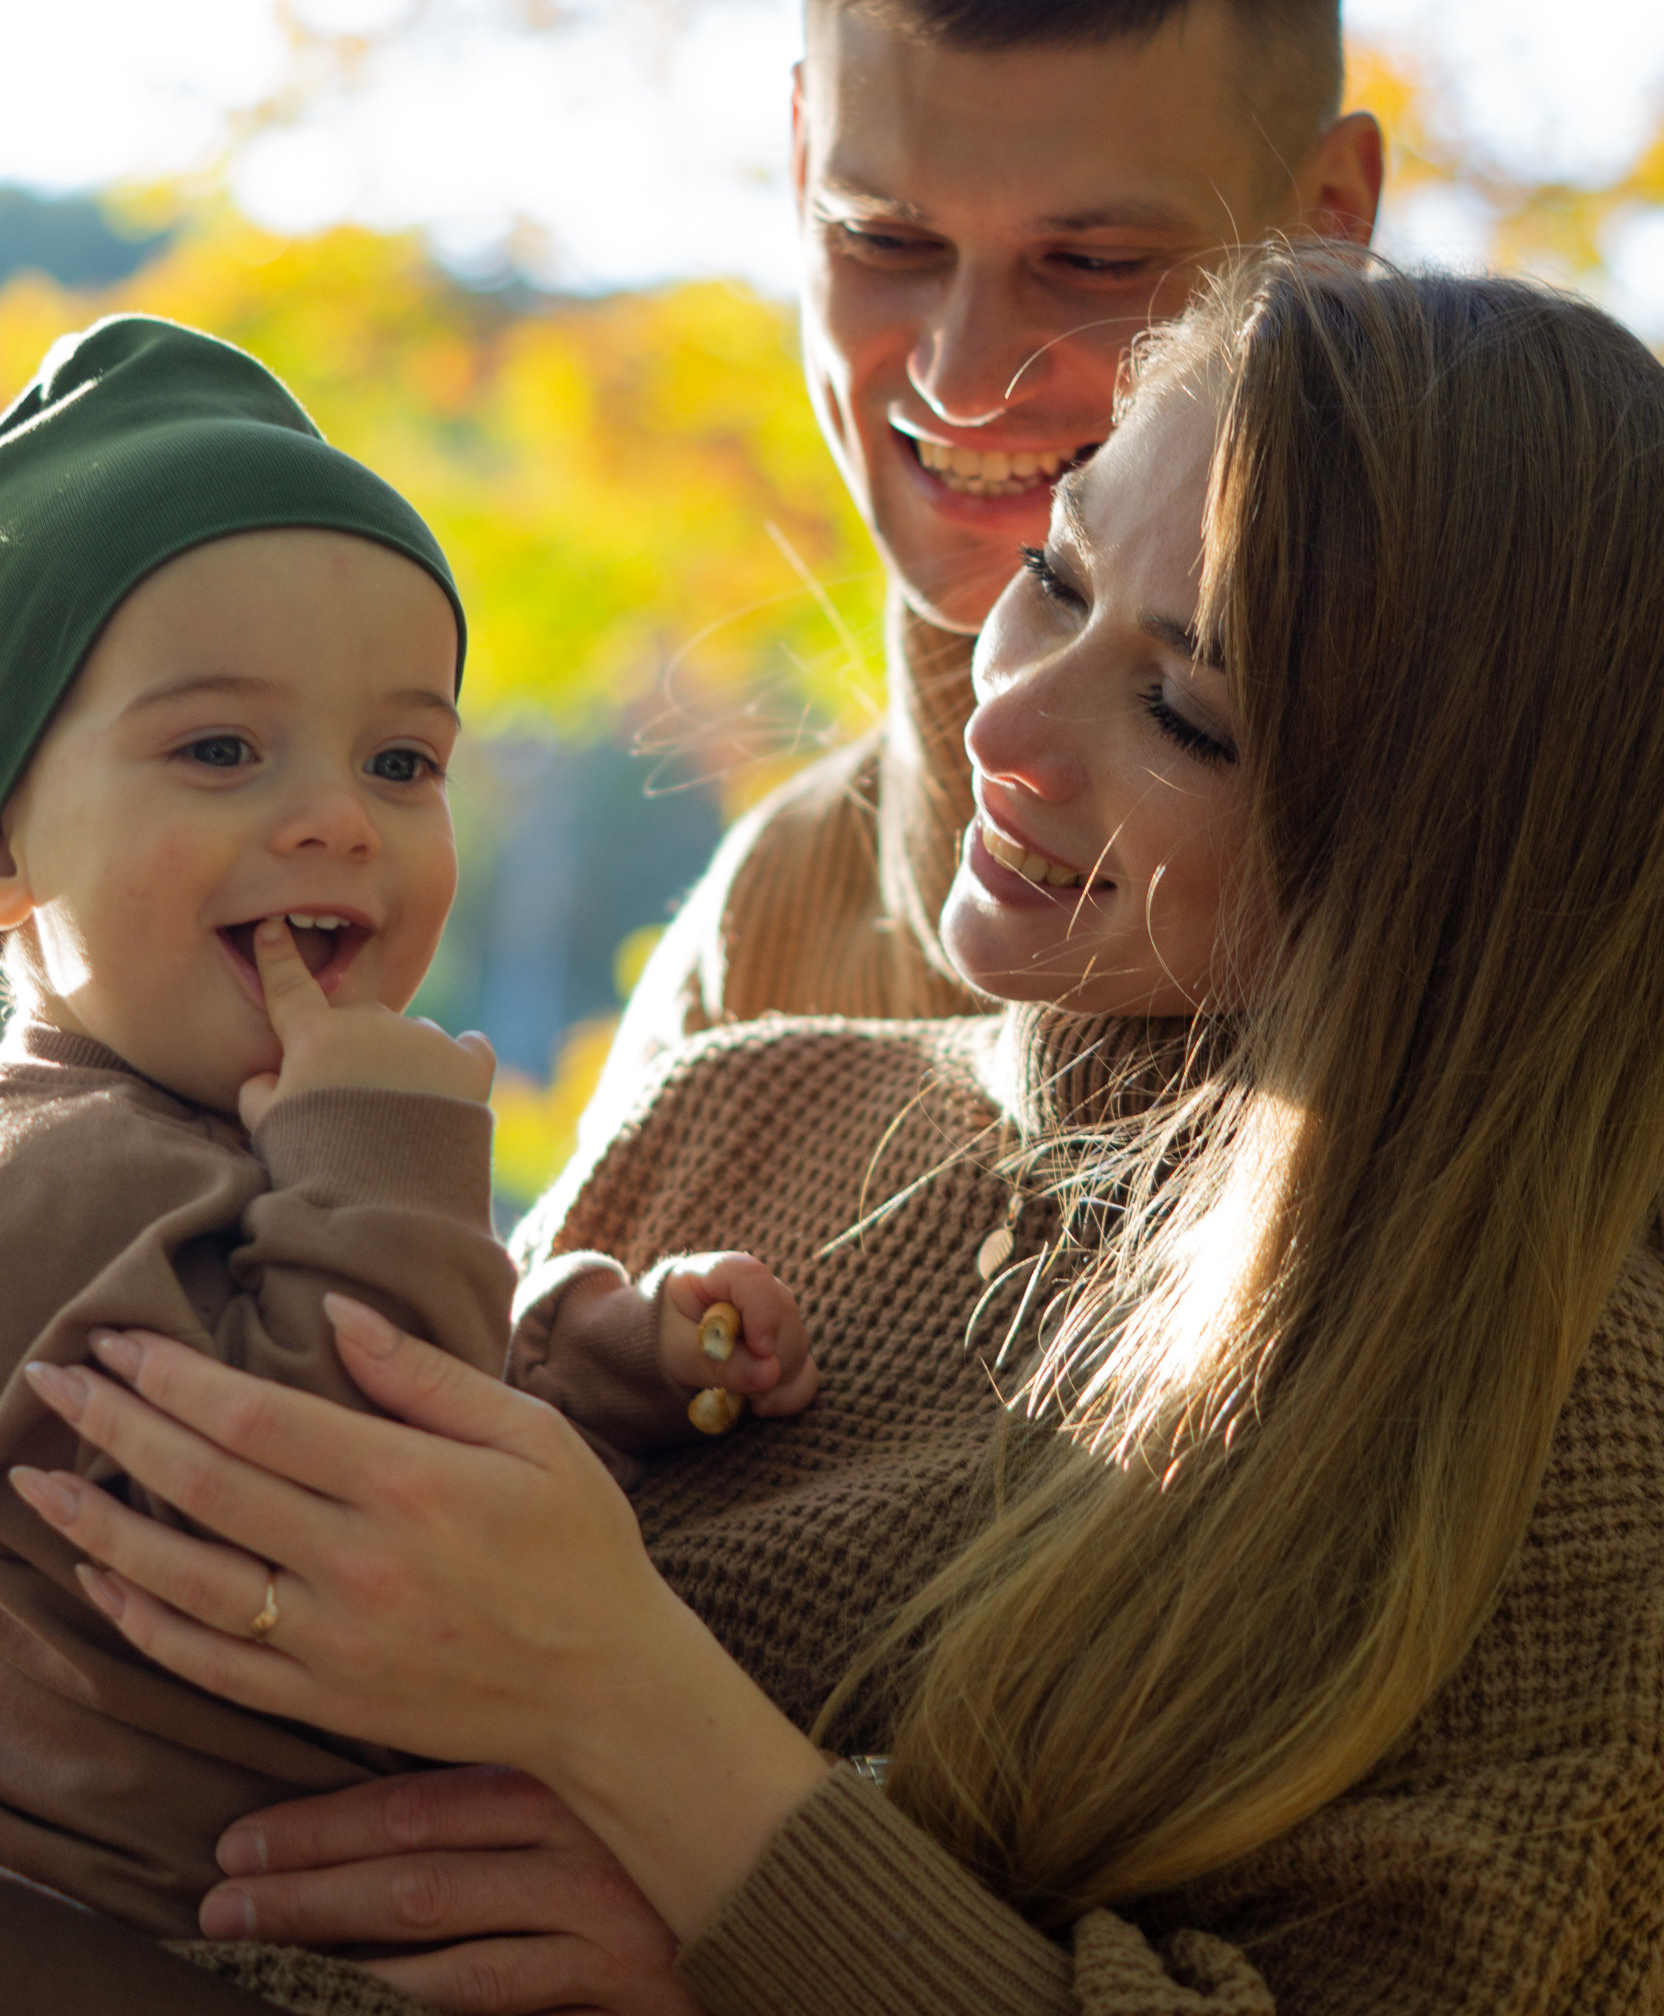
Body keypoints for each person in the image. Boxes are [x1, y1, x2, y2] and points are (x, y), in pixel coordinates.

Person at [19, 254, 1664, 2015]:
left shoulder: (1576, 1454)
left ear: (1453, 857)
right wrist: (568, 1346)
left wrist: (690, 1808)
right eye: (1052, 577)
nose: (1001, 718)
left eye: (1186, 714)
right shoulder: (740, 1107)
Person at [0, 315, 814, 2000]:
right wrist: (389, 1157)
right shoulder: (56, 1175)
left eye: (402, 762)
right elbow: (351, 1509)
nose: (337, 818)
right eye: (220, 750)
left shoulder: (225, 1136)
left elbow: (375, 1385)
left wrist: (580, 1357)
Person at [581, 0, 1383, 1140]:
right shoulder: (765, 927)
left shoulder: (1566, 864)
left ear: (1324, 226)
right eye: (882, 238)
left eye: (1092, 263)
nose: (962, 380)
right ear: (799, 159)